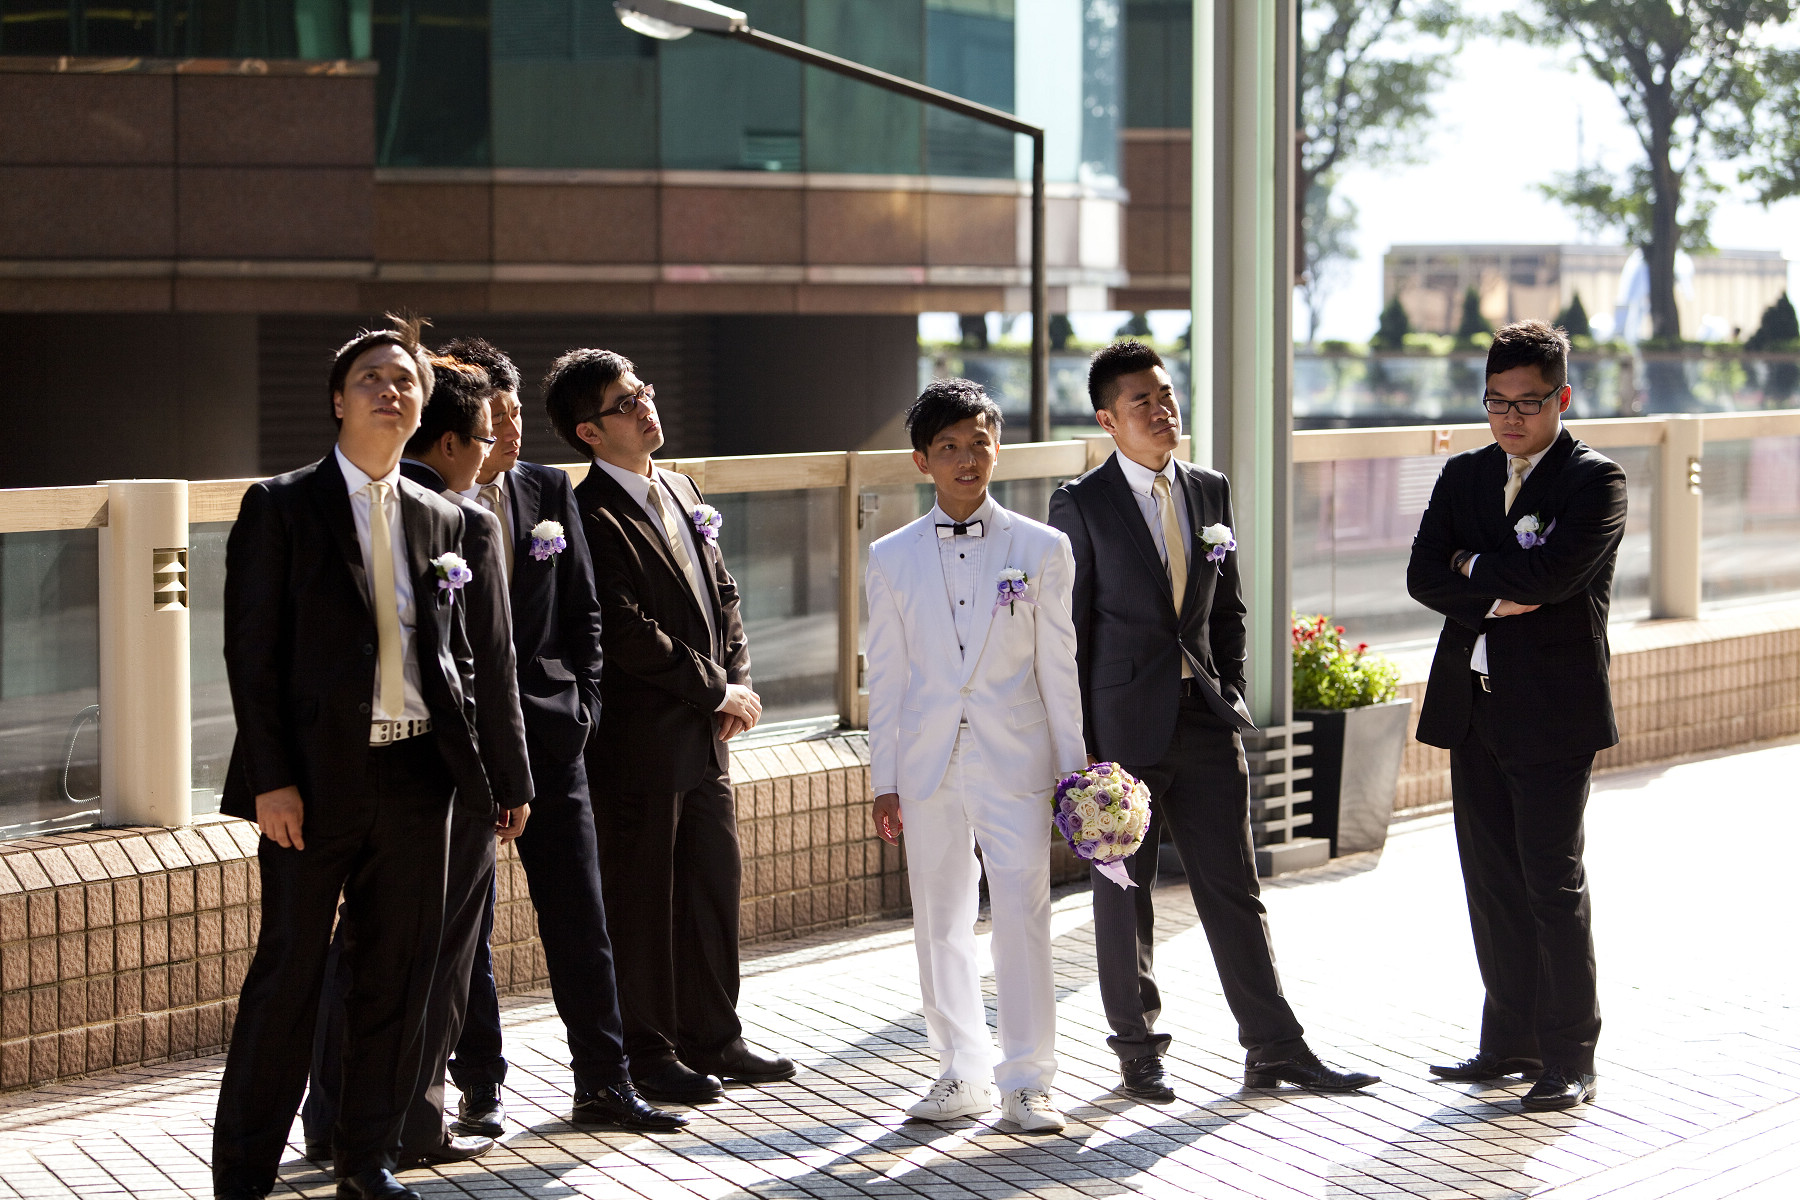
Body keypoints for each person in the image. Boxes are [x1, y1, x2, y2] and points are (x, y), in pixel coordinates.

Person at [211, 317, 522, 1200]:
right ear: (338, 402)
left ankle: (367, 1159)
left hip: (421, 779)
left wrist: (508, 780)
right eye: (372, 378)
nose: (392, 390)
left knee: (399, 977)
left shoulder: (451, 519)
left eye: (406, 381)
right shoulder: (281, 506)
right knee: (289, 976)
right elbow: (251, 656)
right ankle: (244, 1171)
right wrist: (271, 779)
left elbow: (483, 662)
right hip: (311, 787)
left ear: (422, 409)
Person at [1047, 340, 1379, 1103]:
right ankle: (1138, 1052)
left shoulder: (1208, 489)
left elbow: (1227, 609)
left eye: (1166, 394)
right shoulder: (1081, 503)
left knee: (1235, 887)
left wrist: (1230, 687)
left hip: (1204, 719)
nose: (1162, 410)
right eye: (1141, 401)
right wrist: (1085, 749)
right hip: (1121, 735)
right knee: (1123, 895)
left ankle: (1274, 1048)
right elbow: (1069, 631)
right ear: (1107, 420)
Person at [438, 337, 686, 1133]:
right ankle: (479, 1083)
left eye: (516, 413)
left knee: (581, 916)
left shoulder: (548, 489)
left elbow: (584, 610)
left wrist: (582, 708)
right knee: (468, 924)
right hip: (463, 745)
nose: (512, 430)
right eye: (496, 416)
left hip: (551, 735)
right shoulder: (428, 500)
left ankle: (604, 1082)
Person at [299, 358, 536, 1171]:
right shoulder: (459, 522)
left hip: (393, 772)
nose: (496, 451)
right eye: (486, 436)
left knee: (364, 957)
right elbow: (492, 665)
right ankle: (409, 1125)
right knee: (434, 960)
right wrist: (512, 781)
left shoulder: (374, 512)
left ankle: (342, 1123)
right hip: (446, 776)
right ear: (449, 441)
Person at [553, 349, 795, 1104]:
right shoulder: (588, 514)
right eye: (625, 403)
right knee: (644, 902)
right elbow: (624, 630)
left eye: (643, 391)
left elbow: (724, 593)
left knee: (710, 889)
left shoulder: (682, 486)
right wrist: (716, 688)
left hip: (705, 737)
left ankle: (715, 1037)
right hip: (640, 743)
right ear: (590, 433)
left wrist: (737, 683)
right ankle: (650, 1052)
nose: (645, 407)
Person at [1407, 320, 1626, 1112]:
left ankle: (1570, 1057)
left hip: (1554, 715)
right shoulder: (1464, 474)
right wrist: (1497, 586)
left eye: (1528, 403)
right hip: (1473, 707)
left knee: (1551, 883)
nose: (1510, 418)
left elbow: (1555, 577)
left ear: (1562, 398)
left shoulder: (1595, 482)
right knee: (1492, 882)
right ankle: (1508, 1043)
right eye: (1496, 401)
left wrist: (1472, 566)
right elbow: (1422, 574)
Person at [864, 379, 1085, 1133]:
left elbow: (1059, 666)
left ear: (998, 449)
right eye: (949, 447)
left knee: (1023, 915)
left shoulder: (1042, 547)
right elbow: (887, 677)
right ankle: (960, 1071)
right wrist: (885, 779)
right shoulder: (889, 556)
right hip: (927, 763)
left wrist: (1074, 773)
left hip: (1016, 757)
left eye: (979, 444)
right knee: (939, 921)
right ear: (922, 459)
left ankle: (1028, 1081)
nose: (967, 459)